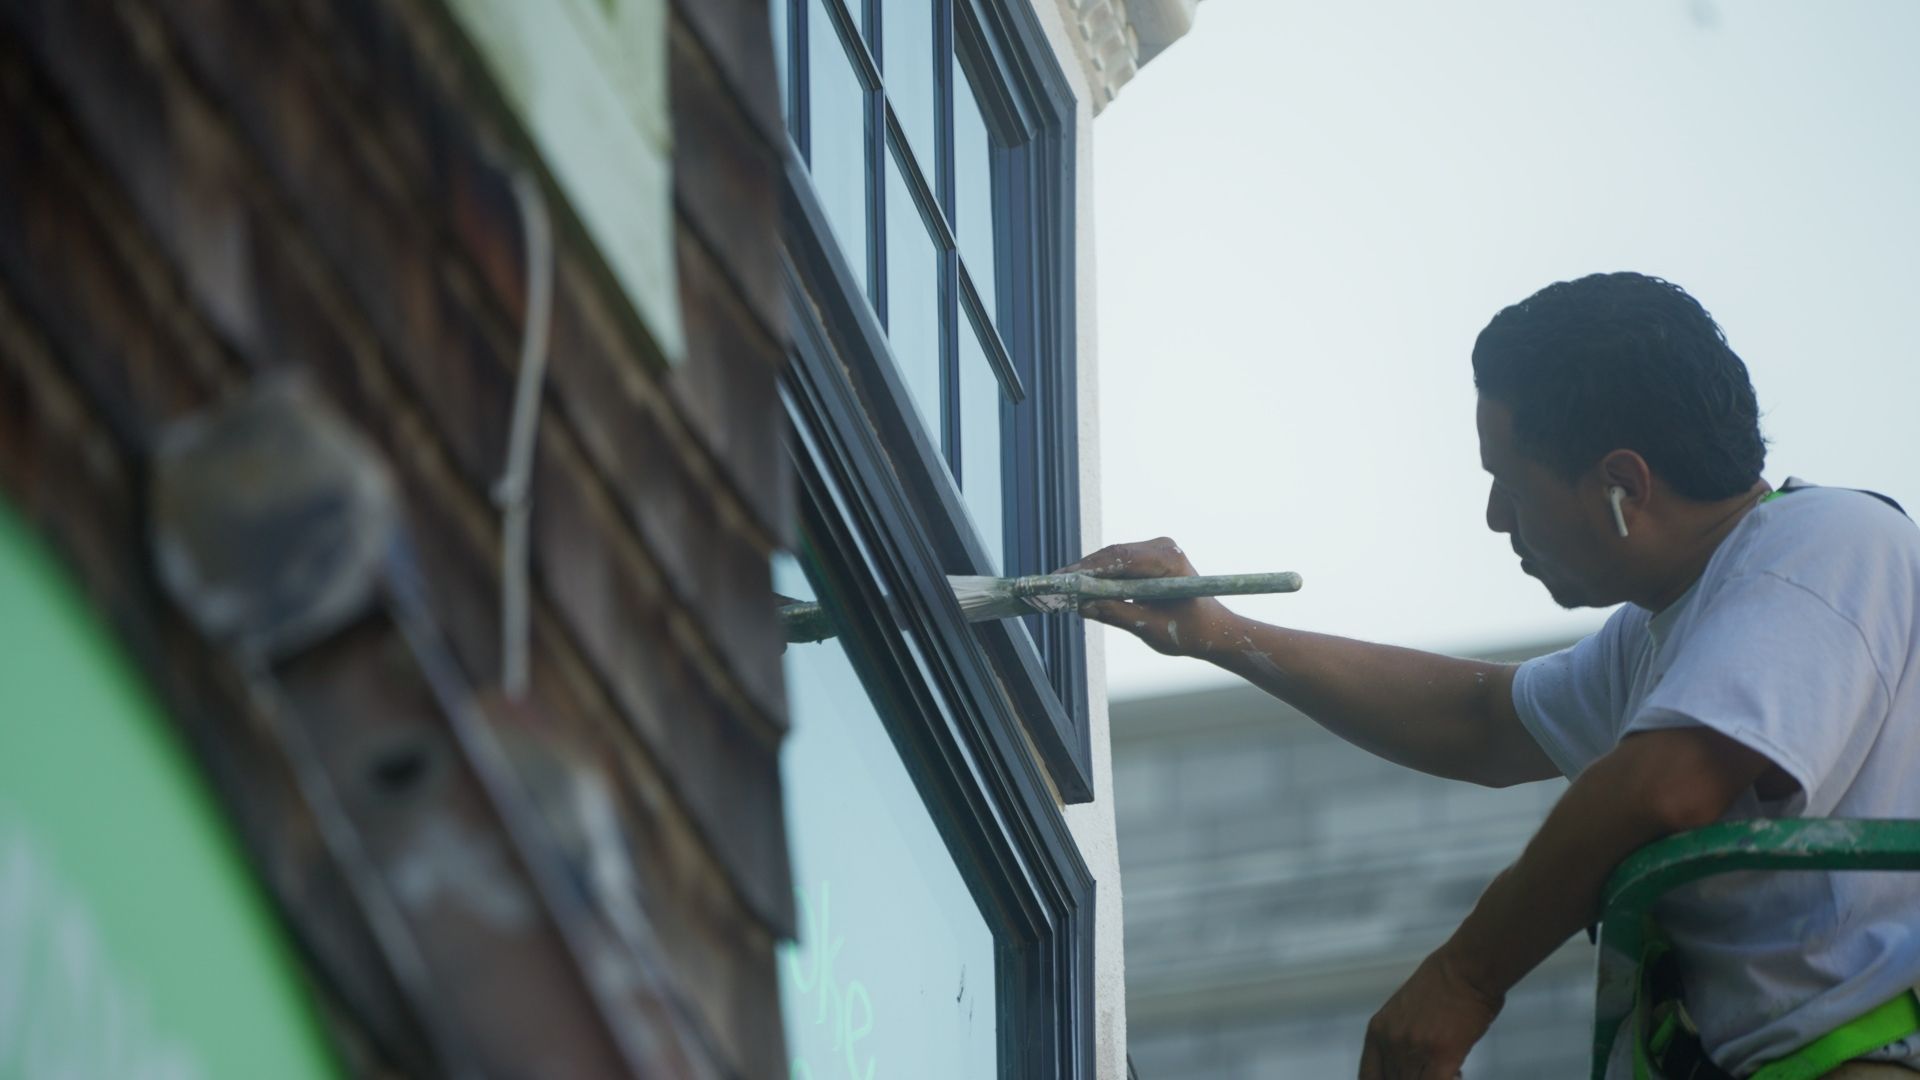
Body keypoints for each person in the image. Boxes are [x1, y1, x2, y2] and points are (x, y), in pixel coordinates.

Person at [1069, 272, 1920, 1079]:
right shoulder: (1667, 635)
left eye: (1510, 485)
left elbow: (1667, 785)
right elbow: (1482, 722)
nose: (1494, 518)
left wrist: (1465, 979)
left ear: (1623, 483)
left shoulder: (1827, 543)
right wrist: (1217, 632)